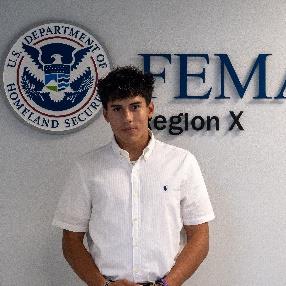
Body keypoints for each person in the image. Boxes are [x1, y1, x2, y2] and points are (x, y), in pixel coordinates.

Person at [52, 66, 215, 286]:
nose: (127, 118)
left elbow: (200, 237)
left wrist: (167, 284)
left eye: (135, 107)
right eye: (117, 109)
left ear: (150, 109)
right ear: (106, 115)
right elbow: (71, 241)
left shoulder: (182, 163)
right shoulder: (86, 168)